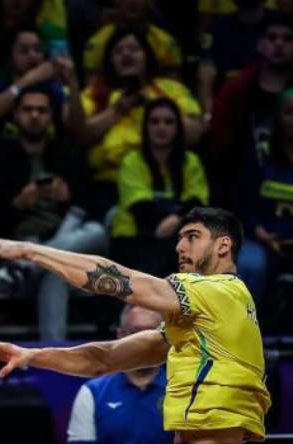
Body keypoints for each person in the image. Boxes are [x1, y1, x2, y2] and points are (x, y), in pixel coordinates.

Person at [0, 206, 271, 444]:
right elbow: (104, 360)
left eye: (192, 237)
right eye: (180, 238)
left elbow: (115, 280)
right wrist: (31, 355)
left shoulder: (218, 290)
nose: (180, 246)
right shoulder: (209, 319)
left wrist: (29, 251)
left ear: (223, 245)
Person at [0, 86, 107, 340]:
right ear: (15, 116)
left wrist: (67, 198)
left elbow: (92, 205)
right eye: (28, 110)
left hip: (68, 237)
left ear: (51, 116)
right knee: (55, 273)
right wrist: (18, 205)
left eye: (41, 110)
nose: (34, 116)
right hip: (24, 241)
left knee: (97, 231)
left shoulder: (68, 152)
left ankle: (28, 265)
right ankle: (55, 354)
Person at [80, 28, 202, 211]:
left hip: (165, 181)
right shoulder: (96, 93)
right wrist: (116, 111)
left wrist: (153, 104)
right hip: (109, 184)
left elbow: (194, 135)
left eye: (134, 49)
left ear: (147, 56)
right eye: (118, 51)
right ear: (109, 59)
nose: (126, 54)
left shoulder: (171, 89)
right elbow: (81, 135)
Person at [67, 304, 172, 444]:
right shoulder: (92, 393)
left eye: (152, 333)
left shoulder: (185, 390)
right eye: (135, 333)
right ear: (120, 336)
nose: (143, 341)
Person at [111, 98, 209, 277]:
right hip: (133, 236)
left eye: (169, 122)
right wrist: (178, 217)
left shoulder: (191, 162)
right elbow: (140, 207)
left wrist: (176, 218)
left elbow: (197, 200)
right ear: (145, 127)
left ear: (178, 128)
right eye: (154, 121)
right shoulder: (132, 161)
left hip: (178, 236)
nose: (161, 127)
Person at [209, 13, 293, 209]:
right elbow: (220, 146)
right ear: (260, 45)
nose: (279, 44)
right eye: (272, 38)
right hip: (243, 189)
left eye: (287, 38)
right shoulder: (236, 89)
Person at [238, 87, 293, 303]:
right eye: (289, 112)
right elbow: (242, 203)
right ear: (278, 118)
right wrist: (259, 233)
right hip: (260, 238)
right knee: (250, 264)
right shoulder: (260, 156)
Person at [83, 0, 182, 79]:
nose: (132, 1)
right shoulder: (97, 44)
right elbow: (92, 90)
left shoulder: (165, 43)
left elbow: (174, 89)